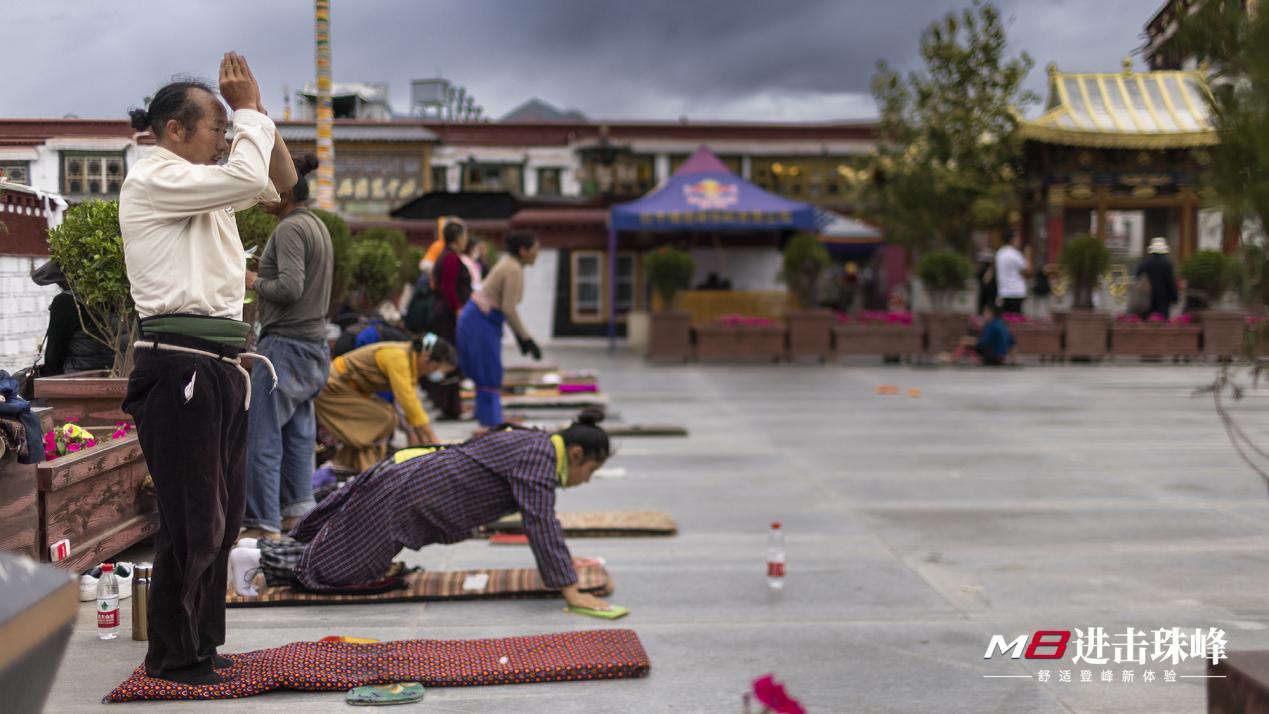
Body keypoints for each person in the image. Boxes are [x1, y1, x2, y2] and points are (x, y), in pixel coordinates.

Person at [118, 53, 298, 685]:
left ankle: (201, 644)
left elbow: (282, 183)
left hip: (218, 367)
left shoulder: (202, 186)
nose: (225, 137)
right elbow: (252, 180)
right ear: (174, 129)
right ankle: (173, 656)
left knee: (221, 519)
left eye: (228, 127)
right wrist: (246, 109)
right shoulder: (153, 177)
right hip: (180, 368)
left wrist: (259, 115)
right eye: (215, 126)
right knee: (194, 519)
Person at [230, 411, 614, 613]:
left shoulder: (536, 441)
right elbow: (542, 523)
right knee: (344, 569)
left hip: (410, 480)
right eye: (591, 472)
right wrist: (571, 589)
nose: (587, 479)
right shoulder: (540, 457)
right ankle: (257, 559)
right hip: (410, 492)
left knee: (345, 547)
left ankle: (256, 554)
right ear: (577, 455)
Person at [240, 154, 333, 542]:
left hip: (286, 347)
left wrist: (251, 279)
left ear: (287, 189)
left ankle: (264, 523)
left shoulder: (290, 229)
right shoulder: (317, 226)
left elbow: (290, 288)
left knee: (261, 435)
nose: (261, 196)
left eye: (267, 187)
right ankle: (298, 514)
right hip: (312, 347)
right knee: (297, 434)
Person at [315, 334, 456, 473]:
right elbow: (408, 401)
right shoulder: (398, 357)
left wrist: (422, 440)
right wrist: (435, 443)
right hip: (332, 387)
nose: (433, 373)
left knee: (384, 418)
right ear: (426, 357)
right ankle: (368, 471)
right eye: (435, 368)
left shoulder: (408, 360)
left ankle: (346, 467)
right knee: (381, 419)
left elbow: (410, 409)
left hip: (346, 389)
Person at [457, 231, 542, 428]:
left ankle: (488, 422)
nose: (537, 254)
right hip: (480, 320)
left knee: (488, 374)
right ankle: (491, 426)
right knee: (489, 374)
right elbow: (509, 308)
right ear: (523, 251)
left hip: (482, 319)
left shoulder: (512, 265)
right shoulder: (513, 269)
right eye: (535, 250)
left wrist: (522, 338)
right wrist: (526, 338)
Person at [30, 261, 114, 375]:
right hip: (118, 375)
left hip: (79, 380)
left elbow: (54, 354)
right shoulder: (117, 296)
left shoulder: (66, 301)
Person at [426, 221, 471, 419]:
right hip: (448, 315)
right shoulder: (450, 258)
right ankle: (449, 407)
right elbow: (449, 288)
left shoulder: (445, 256)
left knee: (448, 358)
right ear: (458, 237)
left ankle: (451, 406)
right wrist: (458, 310)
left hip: (443, 313)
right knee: (449, 358)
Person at [947, 304, 1014, 366]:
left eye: (984, 313)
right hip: (1001, 358)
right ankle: (960, 357)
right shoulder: (1003, 325)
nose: (983, 315)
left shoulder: (991, 325)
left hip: (992, 358)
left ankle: (952, 359)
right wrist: (1014, 361)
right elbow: (1012, 345)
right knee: (971, 341)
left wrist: (969, 341)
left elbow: (982, 343)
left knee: (965, 340)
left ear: (990, 313)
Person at [1135, 237, 1180, 319]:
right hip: (1163, 300)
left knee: (1146, 323)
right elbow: (1170, 282)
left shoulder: (1144, 263)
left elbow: (1137, 279)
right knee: (1162, 324)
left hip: (1146, 299)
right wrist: (1175, 297)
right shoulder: (1167, 264)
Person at [994, 234, 1030, 315]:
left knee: (1005, 319)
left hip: (1003, 291)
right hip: (1017, 292)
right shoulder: (1016, 254)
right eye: (1017, 238)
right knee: (1016, 320)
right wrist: (1028, 255)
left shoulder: (999, 253)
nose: (1019, 241)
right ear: (1012, 239)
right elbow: (1028, 271)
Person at [975, 250, 997, 317]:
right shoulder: (983, 271)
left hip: (990, 296)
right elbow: (985, 280)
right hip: (985, 295)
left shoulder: (992, 271)